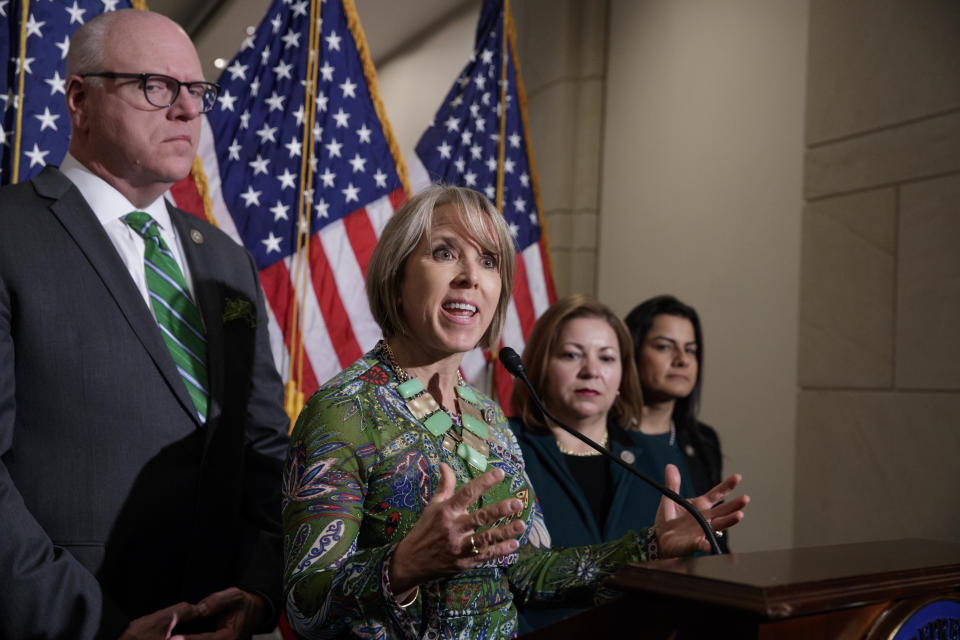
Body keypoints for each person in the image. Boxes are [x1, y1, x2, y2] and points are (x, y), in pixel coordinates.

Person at [281, 186, 749, 638]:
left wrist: (650, 545)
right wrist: (402, 566)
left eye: (489, 261)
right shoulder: (342, 411)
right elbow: (305, 606)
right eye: (445, 253)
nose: (470, 276)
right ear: (397, 278)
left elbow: (528, 572)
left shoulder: (486, 415)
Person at [0, 10, 289, 640]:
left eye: (195, 90)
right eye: (155, 86)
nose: (185, 110)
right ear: (79, 98)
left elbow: (264, 448)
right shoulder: (8, 235)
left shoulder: (226, 261)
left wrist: (261, 593)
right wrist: (96, 625)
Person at [509, 294, 709, 631]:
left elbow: (697, 572)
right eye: (572, 355)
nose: (591, 371)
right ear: (541, 366)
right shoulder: (505, 447)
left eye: (606, 358)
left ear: (621, 376)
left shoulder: (660, 459)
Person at [624, 294, 727, 549]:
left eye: (690, 349)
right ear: (631, 352)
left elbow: (718, 539)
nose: (682, 359)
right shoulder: (599, 436)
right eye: (664, 347)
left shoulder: (702, 440)